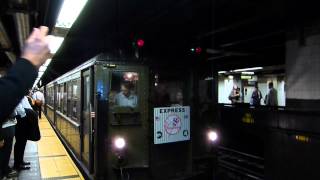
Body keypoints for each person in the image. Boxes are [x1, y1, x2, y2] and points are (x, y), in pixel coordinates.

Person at [0, 26, 49, 178]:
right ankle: (7, 169)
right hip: (11, 124)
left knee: (16, 146)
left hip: (15, 124)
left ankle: (14, 164)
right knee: (10, 149)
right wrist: (28, 64)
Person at [0, 105, 24, 179]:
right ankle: (3, 172)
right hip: (5, 128)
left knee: (7, 151)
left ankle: (5, 168)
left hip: (8, 126)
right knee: (5, 151)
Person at [14, 96, 33, 171]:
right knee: (20, 142)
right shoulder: (18, 94)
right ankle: (17, 164)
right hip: (21, 119)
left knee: (23, 142)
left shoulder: (23, 95)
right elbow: (18, 107)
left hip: (23, 119)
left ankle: (21, 161)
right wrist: (25, 116)